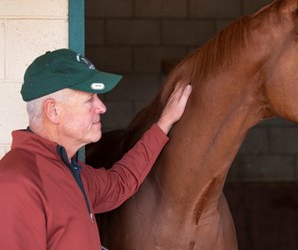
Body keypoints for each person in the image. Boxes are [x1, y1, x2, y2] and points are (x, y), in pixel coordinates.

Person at [0, 48, 192, 250]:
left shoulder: (73, 173)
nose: (102, 107)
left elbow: (120, 182)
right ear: (53, 111)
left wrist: (165, 123)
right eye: (89, 99)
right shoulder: (16, 184)